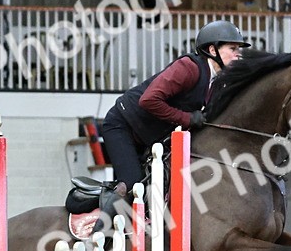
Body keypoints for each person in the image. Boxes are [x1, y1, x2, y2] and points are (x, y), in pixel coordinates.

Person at [98, 19, 250, 189]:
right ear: (212, 50)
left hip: (148, 137)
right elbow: (148, 100)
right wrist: (187, 118)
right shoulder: (188, 68)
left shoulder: (217, 82)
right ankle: (98, 214)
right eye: (233, 48)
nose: (239, 54)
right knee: (134, 186)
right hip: (122, 125)